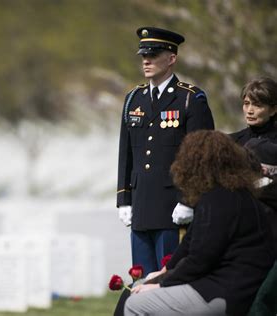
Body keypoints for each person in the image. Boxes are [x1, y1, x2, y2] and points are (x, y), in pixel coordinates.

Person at [123, 130, 275, 316]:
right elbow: (188, 245)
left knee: (135, 304)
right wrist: (163, 272)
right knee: (137, 287)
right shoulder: (229, 194)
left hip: (225, 292)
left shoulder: (220, 199)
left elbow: (200, 259)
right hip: (226, 286)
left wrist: (162, 284)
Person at [116, 26, 214, 275]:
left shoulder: (190, 99)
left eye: (153, 54)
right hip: (141, 207)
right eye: (143, 55)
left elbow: (201, 157)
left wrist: (189, 200)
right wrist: (123, 199)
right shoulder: (133, 99)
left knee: (170, 280)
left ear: (171, 58)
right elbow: (126, 154)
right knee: (142, 283)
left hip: (175, 209)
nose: (146, 60)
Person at [230, 77, 277, 145]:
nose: (249, 111)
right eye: (246, 103)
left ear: (273, 110)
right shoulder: (232, 142)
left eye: (257, 105)